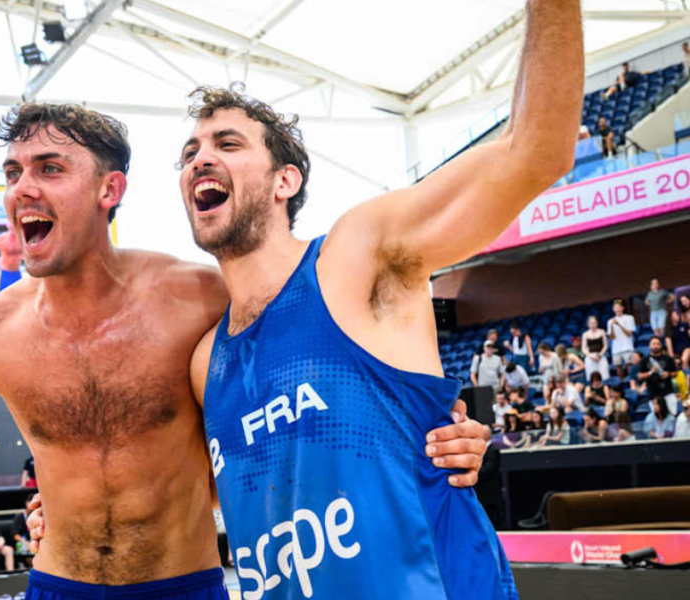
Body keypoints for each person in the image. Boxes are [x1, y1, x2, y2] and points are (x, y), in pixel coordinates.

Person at [0, 103, 489, 598]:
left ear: (109, 190)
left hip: (186, 585)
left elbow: (343, 350)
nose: (20, 190)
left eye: (49, 170)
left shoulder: (199, 298)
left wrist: (449, 430)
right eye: (12, 173)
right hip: (58, 586)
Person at [184, 3, 579, 596]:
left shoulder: (354, 257)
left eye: (227, 143)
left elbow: (537, 150)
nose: (200, 159)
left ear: (284, 181)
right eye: (188, 153)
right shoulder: (205, 360)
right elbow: (206, 491)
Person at [638, 336, 680, 416]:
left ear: (661, 345)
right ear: (649, 346)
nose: (656, 346)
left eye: (658, 344)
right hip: (653, 394)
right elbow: (639, 376)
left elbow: (675, 373)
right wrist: (651, 372)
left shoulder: (668, 359)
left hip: (668, 392)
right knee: (657, 417)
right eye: (653, 344)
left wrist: (668, 374)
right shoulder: (644, 360)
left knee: (672, 415)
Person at [607, 299, 636, 378]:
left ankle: (631, 382)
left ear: (622, 308)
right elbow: (612, 337)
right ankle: (622, 383)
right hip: (616, 348)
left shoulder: (629, 318)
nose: (616, 309)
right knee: (618, 367)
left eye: (618, 307)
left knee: (629, 366)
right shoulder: (610, 321)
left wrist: (618, 324)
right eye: (615, 307)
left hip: (627, 347)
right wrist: (612, 326)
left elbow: (629, 334)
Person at [582, 316, 610, 382]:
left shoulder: (602, 332)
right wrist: (590, 356)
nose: (593, 325)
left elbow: (605, 345)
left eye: (594, 323)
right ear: (588, 324)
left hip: (600, 355)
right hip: (590, 357)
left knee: (604, 375)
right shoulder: (585, 334)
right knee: (591, 376)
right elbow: (584, 348)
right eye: (591, 323)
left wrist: (600, 354)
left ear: (597, 323)